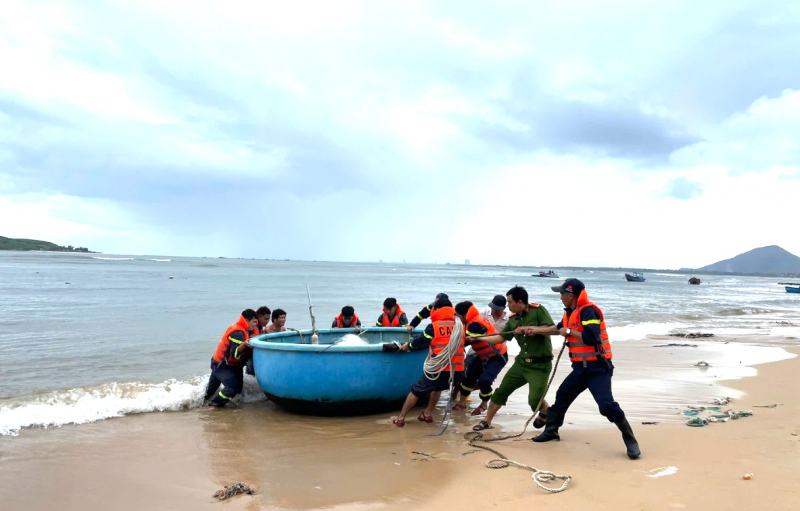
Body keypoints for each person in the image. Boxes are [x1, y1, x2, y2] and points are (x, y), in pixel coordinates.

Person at [527, 278, 641, 460]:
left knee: (606, 406)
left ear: (571, 295)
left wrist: (570, 332)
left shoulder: (588, 311)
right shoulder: (569, 313)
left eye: (562, 293)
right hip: (580, 369)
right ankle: (552, 432)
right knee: (562, 396)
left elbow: (591, 338)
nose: (560, 297)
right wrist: (534, 330)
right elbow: (558, 329)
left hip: (598, 369)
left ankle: (630, 439)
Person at [469, 286, 554, 432]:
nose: (507, 306)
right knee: (501, 392)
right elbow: (501, 338)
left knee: (534, 401)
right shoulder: (513, 319)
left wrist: (533, 329)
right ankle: (487, 421)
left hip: (540, 366)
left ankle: (547, 412)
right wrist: (478, 338)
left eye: (509, 302)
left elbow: (553, 328)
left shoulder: (538, 310)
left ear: (520, 302)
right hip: (521, 364)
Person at [392, 297, 464, 427]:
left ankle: (401, 418)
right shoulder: (460, 325)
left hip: (439, 370)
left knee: (416, 390)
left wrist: (407, 346)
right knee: (437, 387)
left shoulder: (435, 326)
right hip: (457, 372)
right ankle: (427, 413)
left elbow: (420, 342)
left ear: (436, 310)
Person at [452, 301, 508, 416]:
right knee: (467, 377)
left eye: (458, 315)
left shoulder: (476, 325)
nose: (456, 318)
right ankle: (462, 403)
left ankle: (483, 404)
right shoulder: (471, 320)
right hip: (482, 355)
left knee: (484, 381)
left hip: (497, 356)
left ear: (464, 315)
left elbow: (464, 341)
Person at [205, 309, 258, 407]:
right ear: (246, 320)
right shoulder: (238, 333)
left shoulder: (243, 327)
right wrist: (245, 344)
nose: (255, 325)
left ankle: (203, 404)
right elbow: (234, 354)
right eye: (254, 322)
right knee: (233, 387)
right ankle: (214, 405)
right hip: (221, 365)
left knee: (209, 393)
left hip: (227, 364)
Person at [245, 306, 271, 375]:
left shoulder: (258, 325)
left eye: (268, 319)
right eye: (265, 319)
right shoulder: (251, 324)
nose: (267, 321)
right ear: (259, 317)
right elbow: (249, 338)